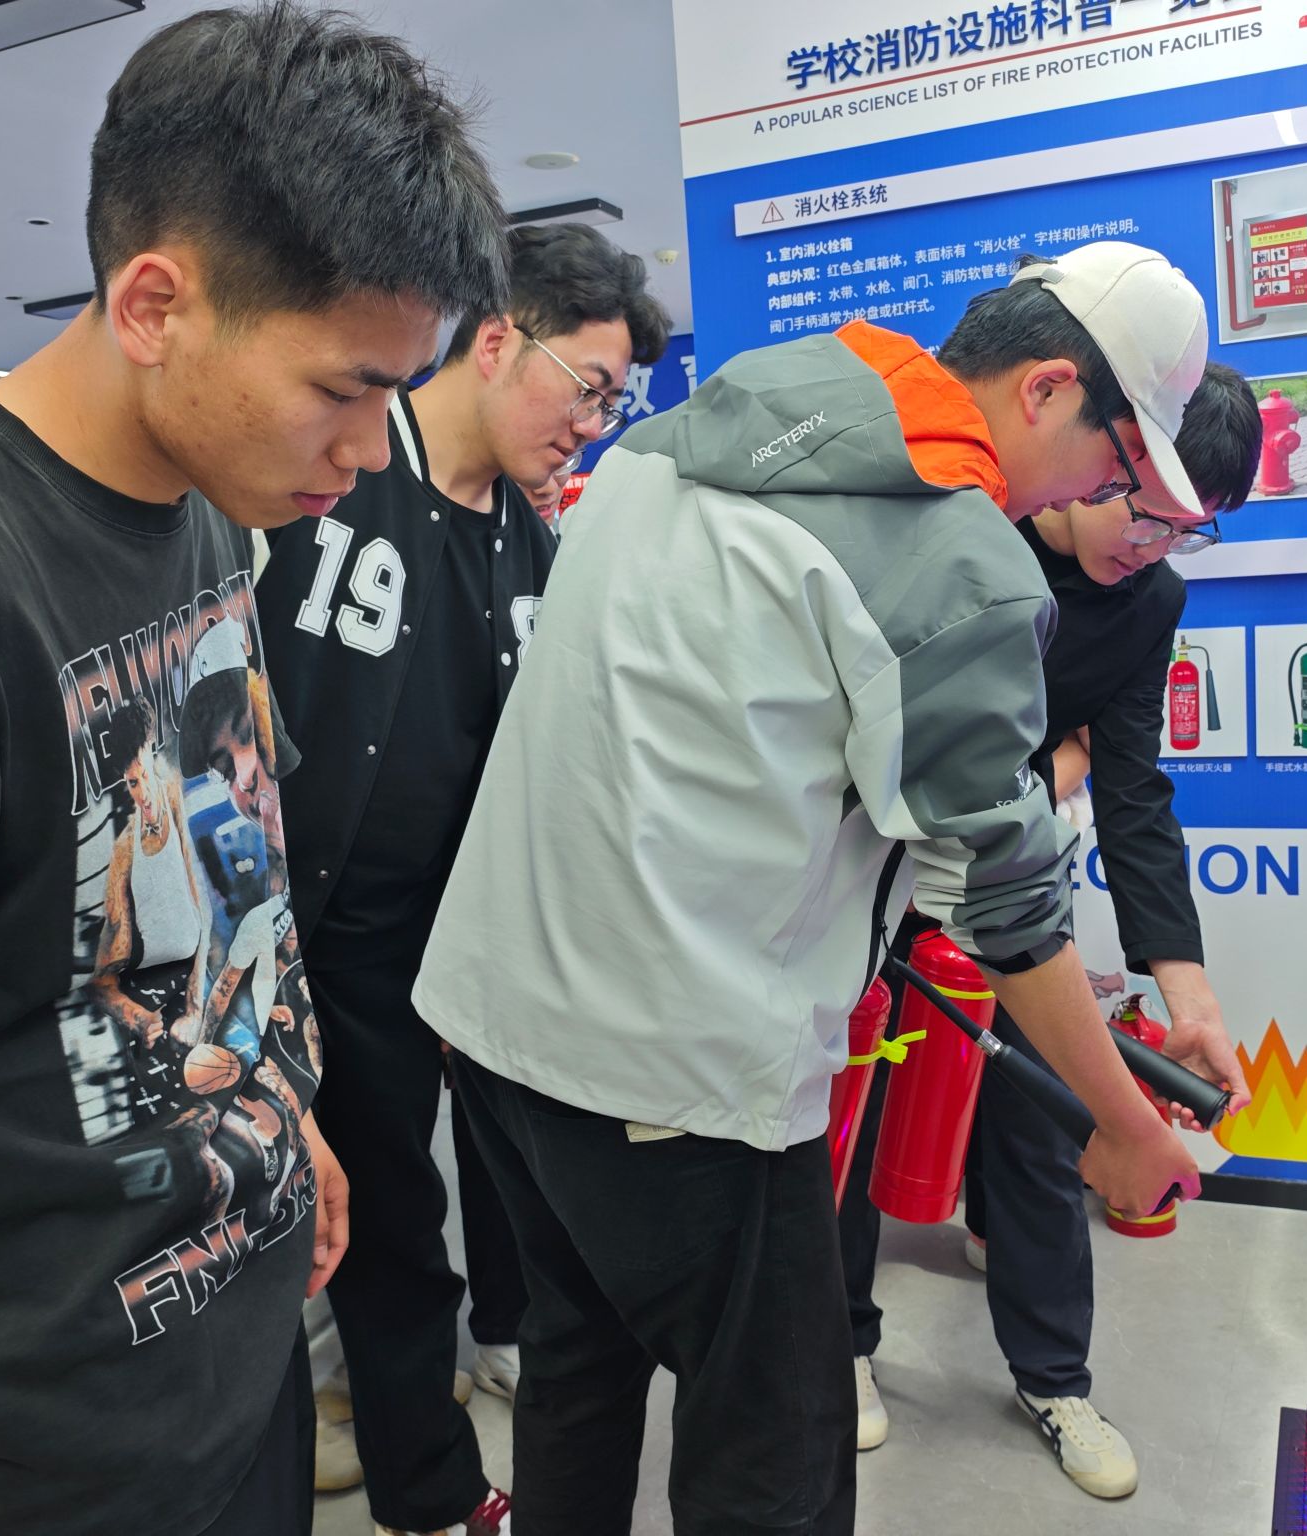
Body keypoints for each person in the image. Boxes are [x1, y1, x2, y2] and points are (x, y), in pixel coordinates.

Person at [0, 6, 507, 1535]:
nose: (374, 450)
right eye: (343, 388)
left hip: (233, 1355)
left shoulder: (212, 499)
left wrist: (283, 1114)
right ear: (158, 304)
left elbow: (229, 874)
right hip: (41, 1444)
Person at [411, 241, 1243, 1535]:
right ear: (1045, 389)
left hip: (498, 1028)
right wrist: (1124, 1118)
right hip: (678, 1083)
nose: (1102, 496)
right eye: (1118, 464)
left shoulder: (718, 416)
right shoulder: (958, 558)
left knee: (577, 1368)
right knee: (776, 1464)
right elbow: (1008, 900)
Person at [253, 221, 670, 1536]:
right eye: (587, 388)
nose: (591, 427)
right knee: (386, 1222)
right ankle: (425, 1490)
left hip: (469, 947)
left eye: (612, 404)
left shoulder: (531, 544)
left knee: (494, 1194)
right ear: (497, 341)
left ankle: (458, 1390)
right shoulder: (335, 480)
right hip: (320, 942)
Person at [840, 359, 1263, 1499]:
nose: (1155, 548)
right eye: (1146, 513)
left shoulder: (1148, 601)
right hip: (875, 867)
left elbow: (1133, 792)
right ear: (1108, 452)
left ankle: (1054, 1380)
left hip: (1015, 882)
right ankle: (844, 1347)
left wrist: (1189, 999)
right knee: (853, 1113)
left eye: (1190, 533)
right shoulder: (967, 529)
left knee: (1040, 1122)